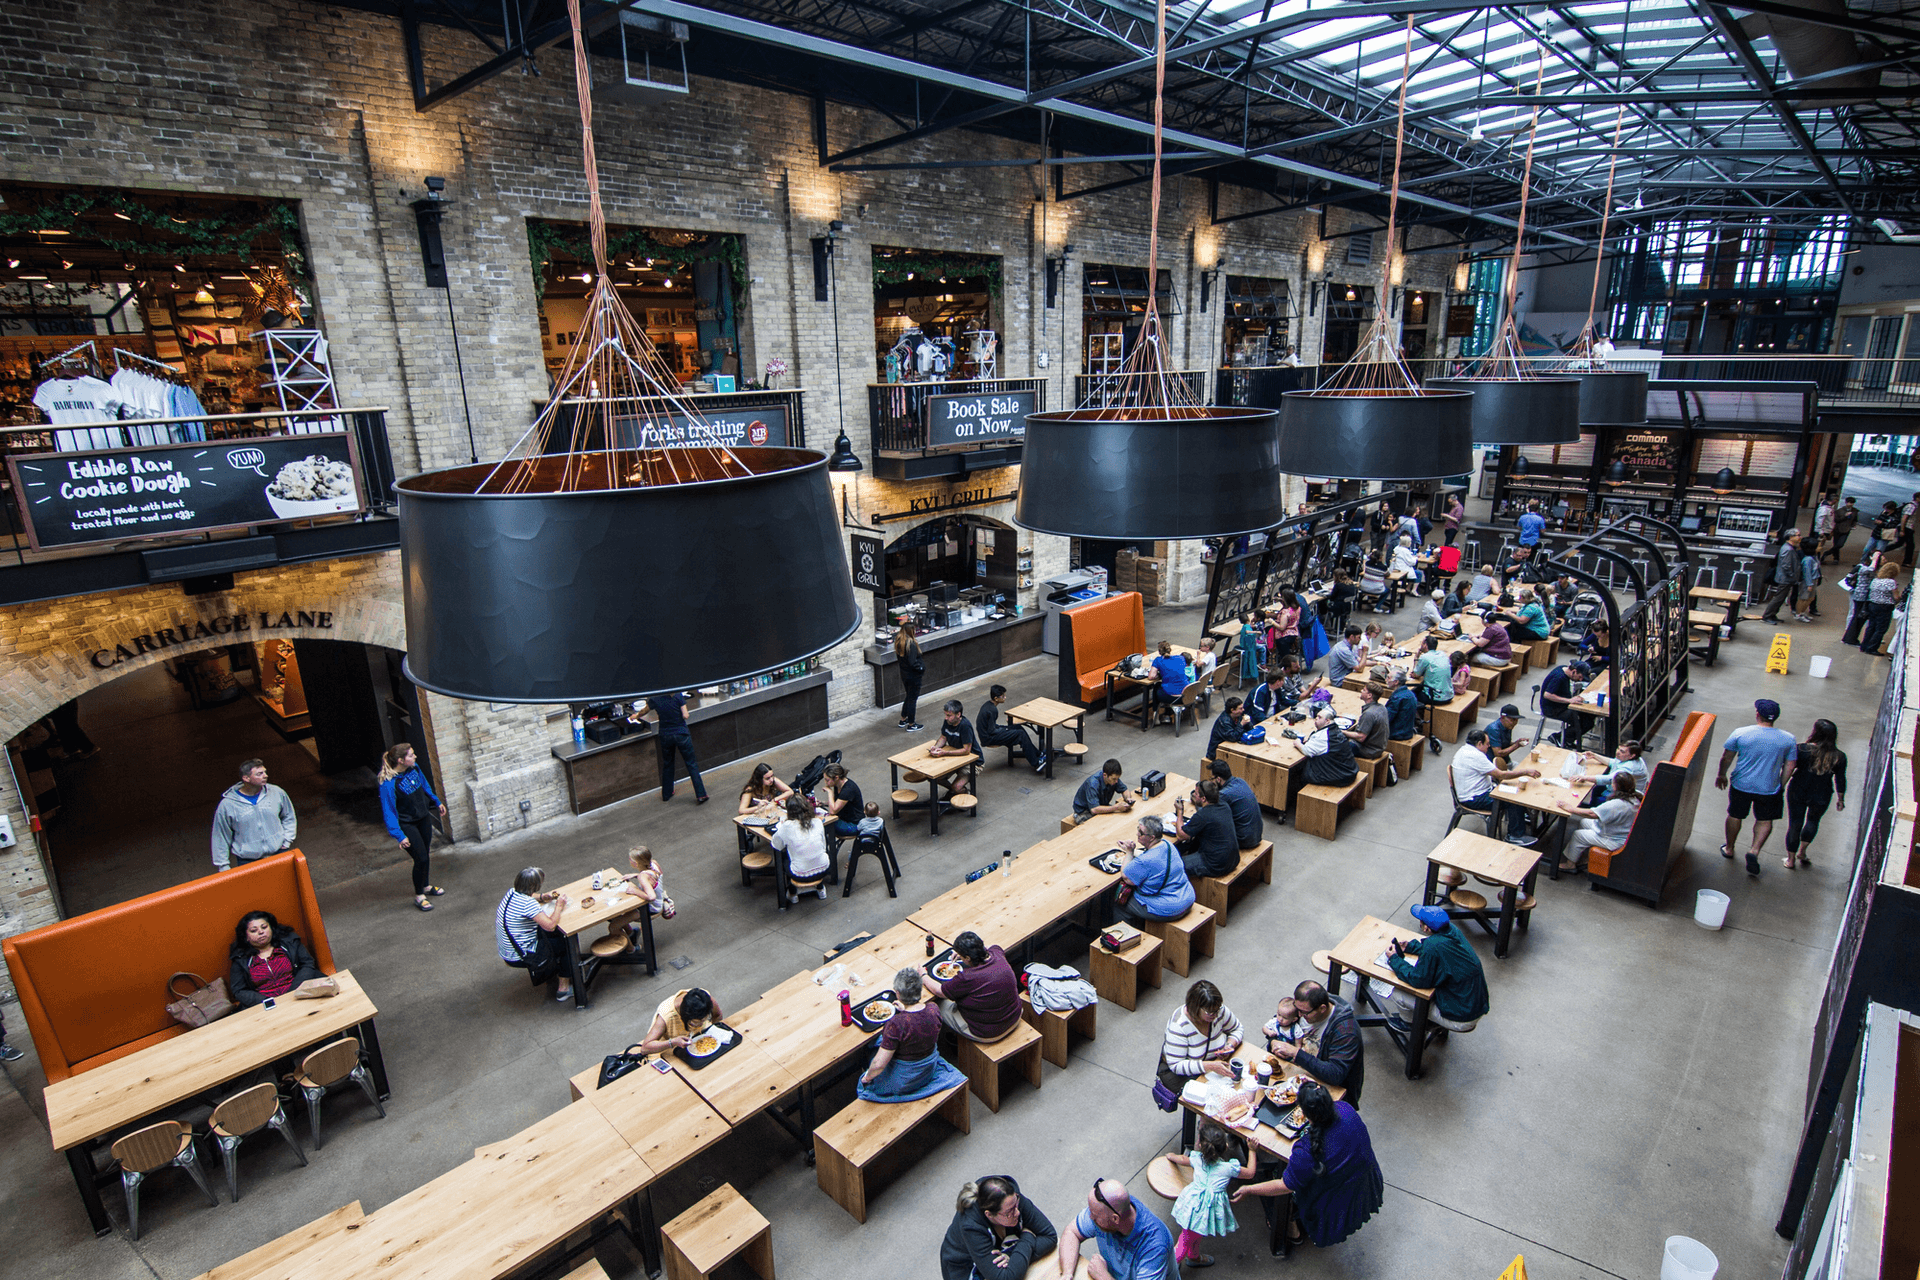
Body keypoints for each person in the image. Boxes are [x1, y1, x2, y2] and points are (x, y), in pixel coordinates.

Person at [1230, 1081, 1383, 1249]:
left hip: (1330, 1195)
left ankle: (1287, 1225)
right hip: (1360, 1180)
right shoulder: (1346, 1109)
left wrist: (1249, 1189)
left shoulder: (1306, 1152)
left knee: (1274, 1173)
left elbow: (1284, 1185)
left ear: (1304, 1114)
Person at [858, 967, 968, 1102]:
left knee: (869, 1053)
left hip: (906, 1079)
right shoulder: (933, 1009)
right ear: (920, 989)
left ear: (897, 994)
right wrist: (905, 1010)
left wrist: (867, 1078)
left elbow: (879, 1064)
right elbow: (917, 1023)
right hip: (928, 1070)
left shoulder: (896, 1024)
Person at [1717, 697, 1798, 877]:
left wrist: (1721, 774)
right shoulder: (1788, 739)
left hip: (1741, 784)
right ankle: (1754, 851)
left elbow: (1727, 757)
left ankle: (1729, 848)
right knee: (1764, 820)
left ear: (1757, 714)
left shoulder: (1741, 733)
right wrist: (1780, 785)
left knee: (1735, 815)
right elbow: (1790, 766)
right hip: (1768, 788)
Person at [1384, 904, 1489, 1030]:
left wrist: (1394, 959)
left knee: (1399, 994)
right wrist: (1410, 947)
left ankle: (1410, 1024)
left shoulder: (1433, 946)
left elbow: (1418, 979)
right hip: (1474, 1005)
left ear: (1427, 928)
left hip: (1461, 1018)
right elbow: (1441, 951)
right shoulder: (1452, 930)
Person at [1166, 1120, 1254, 1268]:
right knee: (1183, 1243)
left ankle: (1194, 1257)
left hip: (1192, 1206)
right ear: (1226, 1147)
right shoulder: (1228, 1168)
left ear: (1200, 1146)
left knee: (1193, 1235)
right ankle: (1167, 1270)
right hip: (1204, 1211)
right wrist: (1252, 1150)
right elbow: (1251, 1173)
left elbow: (1182, 1159)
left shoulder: (1197, 1159)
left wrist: (1171, 1156)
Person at [941, 1176, 1059, 1280]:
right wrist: (1027, 1237)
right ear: (989, 1215)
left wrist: (1011, 1255)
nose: (1017, 1212)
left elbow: (1049, 1236)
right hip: (963, 1267)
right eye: (1009, 1212)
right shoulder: (971, 1227)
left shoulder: (1009, 1197)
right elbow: (1005, 1277)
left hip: (1000, 1246)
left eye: (1017, 1203)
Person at [1060, 1179, 1176, 1280]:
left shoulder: (1155, 1247)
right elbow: (1072, 1232)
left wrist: (1102, 1276)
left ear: (1115, 1219)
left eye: (1095, 1216)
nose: (1090, 1217)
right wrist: (1067, 1274)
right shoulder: (1109, 1207)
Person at [378, 743, 447, 912]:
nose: (415, 757)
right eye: (411, 755)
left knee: (425, 853)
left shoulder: (414, 768)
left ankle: (425, 886)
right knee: (421, 858)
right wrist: (399, 835)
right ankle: (419, 896)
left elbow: (424, 785)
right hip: (407, 824)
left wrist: (436, 801)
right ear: (401, 760)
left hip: (423, 818)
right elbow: (388, 812)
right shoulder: (388, 783)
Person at [1271, 980, 1365, 1104]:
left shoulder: (1346, 1031)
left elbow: (1335, 1074)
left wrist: (1296, 1053)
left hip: (1327, 1091)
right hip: (1296, 1076)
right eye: (1297, 1009)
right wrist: (1274, 1041)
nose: (1299, 1015)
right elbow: (1277, 1025)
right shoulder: (1304, 1007)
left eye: (1304, 1013)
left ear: (1322, 1008)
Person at [924, 930, 1021, 1041]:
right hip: (1014, 1016)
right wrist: (970, 953)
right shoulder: (997, 954)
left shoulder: (967, 977)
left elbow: (939, 991)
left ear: (968, 958)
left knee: (937, 1003)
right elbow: (991, 946)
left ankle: (955, 1040)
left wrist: (923, 976)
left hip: (989, 1032)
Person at [1156, 979, 1244, 1094]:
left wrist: (1229, 1045)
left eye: (1217, 1010)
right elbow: (1176, 1065)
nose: (1216, 1015)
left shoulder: (1218, 1010)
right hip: (1188, 1075)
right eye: (1210, 1013)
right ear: (1195, 1008)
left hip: (1215, 1069)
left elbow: (1237, 1028)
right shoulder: (1179, 1026)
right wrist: (1209, 1066)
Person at [1452, 728, 1539, 844]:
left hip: (1479, 790)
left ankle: (1519, 817)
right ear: (1479, 744)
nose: (1489, 747)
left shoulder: (1464, 750)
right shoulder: (1476, 756)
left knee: (1513, 790)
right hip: (1474, 798)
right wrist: (1526, 772)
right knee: (1513, 798)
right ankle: (1515, 836)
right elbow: (1500, 774)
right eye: (1487, 744)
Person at [497, 867, 572, 1000]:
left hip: (508, 950)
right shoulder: (528, 904)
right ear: (535, 886)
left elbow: (530, 895)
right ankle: (563, 989)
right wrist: (559, 906)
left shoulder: (512, 892)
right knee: (566, 942)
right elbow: (550, 926)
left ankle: (555, 969)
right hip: (522, 955)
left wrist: (543, 897)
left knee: (551, 934)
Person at [211, 758, 297, 872]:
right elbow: (220, 835)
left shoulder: (276, 792)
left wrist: (287, 840)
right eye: (259, 774)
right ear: (246, 778)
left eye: (265, 772)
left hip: (279, 853)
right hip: (248, 861)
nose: (265, 775)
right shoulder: (228, 805)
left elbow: (289, 816)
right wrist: (223, 865)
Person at [1784, 718, 1847, 869]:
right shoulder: (1839, 756)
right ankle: (1802, 852)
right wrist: (1840, 799)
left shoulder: (1802, 749)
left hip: (1798, 790)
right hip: (1822, 794)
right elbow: (1840, 778)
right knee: (1813, 822)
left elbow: (1789, 767)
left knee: (1795, 824)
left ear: (1816, 732)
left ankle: (1790, 860)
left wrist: (1780, 785)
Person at [227, 910, 322, 1007]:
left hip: (300, 993)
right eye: (253, 930)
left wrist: (293, 993)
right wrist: (268, 1001)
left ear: (271, 928)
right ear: (246, 936)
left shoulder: (290, 943)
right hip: (266, 1005)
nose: (261, 932)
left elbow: (307, 964)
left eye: (264, 927)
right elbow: (239, 990)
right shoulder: (240, 959)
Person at [1116, 814, 1195, 925]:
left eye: (1141, 833)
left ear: (1152, 837)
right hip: (1187, 896)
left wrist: (1129, 852)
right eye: (1138, 829)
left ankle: (1122, 937)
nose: (1137, 834)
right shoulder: (1168, 845)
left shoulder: (1145, 860)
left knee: (1120, 904)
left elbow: (1127, 878)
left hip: (1171, 908)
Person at [1558, 772, 1641, 874]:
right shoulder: (1636, 796)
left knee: (1578, 835)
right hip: (1620, 830)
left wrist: (1570, 809)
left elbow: (1591, 813)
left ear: (1616, 786)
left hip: (1613, 839)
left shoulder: (1617, 804)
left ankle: (1570, 865)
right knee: (1584, 822)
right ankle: (1579, 853)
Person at [1283, 705, 1358, 814]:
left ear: (1327, 721)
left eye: (1319, 717)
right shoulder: (1335, 730)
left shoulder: (1323, 736)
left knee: (1297, 769)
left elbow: (1307, 751)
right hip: (1349, 771)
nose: (1316, 719)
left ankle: (1290, 803)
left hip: (1340, 776)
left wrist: (1298, 743)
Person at [645, 690, 709, 804]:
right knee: (691, 764)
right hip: (681, 734)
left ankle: (666, 794)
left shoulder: (655, 698)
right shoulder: (678, 695)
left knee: (668, 764)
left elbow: (644, 710)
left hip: (665, 735)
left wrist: (636, 716)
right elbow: (686, 715)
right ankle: (701, 795)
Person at [1170, 779, 1238, 879]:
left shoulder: (1202, 816)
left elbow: (1181, 835)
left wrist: (1179, 812)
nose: (1194, 795)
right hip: (1233, 859)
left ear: (1203, 799)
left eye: (1196, 794)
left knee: (1173, 866)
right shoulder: (1224, 806)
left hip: (1216, 864)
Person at [771, 795, 831, 900]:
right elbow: (823, 846)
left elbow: (776, 845)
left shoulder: (787, 826)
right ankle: (820, 888)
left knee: (784, 856)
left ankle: (792, 892)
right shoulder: (817, 822)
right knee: (813, 852)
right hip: (824, 868)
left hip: (800, 873)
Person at [640, 987, 726, 1055]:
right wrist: (672, 1042)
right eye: (695, 1023)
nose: (700, 1025)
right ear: (685, 1015)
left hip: (699, 1040)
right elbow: (645, 1048)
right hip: (670, 1049)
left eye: (704, 1020)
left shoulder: (704, 1000)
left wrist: (715, 1034)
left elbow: (717, 1015)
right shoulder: (666, 1014)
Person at [1208, 758, 1264, 848]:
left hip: (1244, 840)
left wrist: (1197, 801)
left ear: (1218, 779)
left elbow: (1208, 811)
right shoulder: (1241, 781)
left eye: (1212, 779)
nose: (1211, 782)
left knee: (1210, 827)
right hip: (1256, 835)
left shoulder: (1224, 794)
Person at [930, 700, 983, 793]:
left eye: (949, 715)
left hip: (973, 762)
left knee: (957, 787)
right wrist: (936, 747)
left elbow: (966, 750)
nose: (946, 718)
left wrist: (945, 753)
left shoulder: (965, 726)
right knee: (935, 777)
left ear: (958, 715)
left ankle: (963, 794)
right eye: (945, 715)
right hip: (956, 758)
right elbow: (943, 737)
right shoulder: (948, 722)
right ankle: (954, 793)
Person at [1540, 658, 1594, 748]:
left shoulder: (1564, 669)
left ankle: (1567, 739)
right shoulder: (1559, 677)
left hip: (1561, 706)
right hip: (1552, 709)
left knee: (1589, 716)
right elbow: (1547, 694)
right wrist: (1569, 700)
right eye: (1580, 676)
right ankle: (1559, 737)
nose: (1580, 680)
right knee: (1585, 722)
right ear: (1574, 671)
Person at [1760, 530, 1805, 623]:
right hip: (1785, 578)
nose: (1800, 537)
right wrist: (1792, 576)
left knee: (1780, 598)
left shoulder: (1790, 548)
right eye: (1798, 535)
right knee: (1778, 598)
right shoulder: (1788, 549)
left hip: (1787, 578)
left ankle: (1772, 615)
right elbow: (1786, 565)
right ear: (1791, 537)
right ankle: (1767, 616)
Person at [1072, 758, 1134, 824]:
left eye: (1117, 779)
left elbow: (1125, 790)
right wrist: (1116, 807)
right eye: (1114, 779)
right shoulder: (1093, 784)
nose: (1116, 781)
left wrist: (1128, 798)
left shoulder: (1113, 779)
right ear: (1105, 775)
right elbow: (1094, 809)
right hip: (1084, 812)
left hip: (1100, 806)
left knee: (1119, 820)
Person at [1860, 561, 1903, 655]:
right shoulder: (1891, 582)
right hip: (1885, 607)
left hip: (1872, 605)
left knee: (1871, 626)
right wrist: (1898, 600)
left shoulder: (1875, 580)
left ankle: (1864, 645)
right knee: (1881, 628)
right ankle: (1872, 648)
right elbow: (1896, 597)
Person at [1346, 682, 1390, 760]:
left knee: (1337, 744)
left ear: (1369, 695)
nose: (1361, 691)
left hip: (1369, 751)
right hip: (1379, 746)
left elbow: (1361, 737)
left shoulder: (1369, 713)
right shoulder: (1381, 708)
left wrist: (1342, 731)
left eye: (1364, 690)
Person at [1149, 639, 1190, 723]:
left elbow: (1151, 676)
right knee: (1170, 686)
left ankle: (1155, 716)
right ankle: (1167, 714)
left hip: (1173, 697)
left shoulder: (1158, 660)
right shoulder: (1181, 658)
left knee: (1157, 687)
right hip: (1187, 694)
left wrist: (1159, 673)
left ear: (1159, 651)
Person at [819, 763, 864, 838]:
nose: (826, 783)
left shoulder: (848, 790)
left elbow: (833, 811)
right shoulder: (838, 785)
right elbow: (837, 803)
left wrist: (830, 792)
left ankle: (829, 848)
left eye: (827, 780)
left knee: (824, 824)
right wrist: (822, 803)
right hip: (843, 818)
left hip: (854, 825)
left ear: (836, 778)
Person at [895, 622, 926, 731]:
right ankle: (912, 724)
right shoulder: (911, 644)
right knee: (912, 699)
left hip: (905, 675)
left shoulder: (899, 643)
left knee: (909, 696)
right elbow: (913, 662)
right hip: (913, 676)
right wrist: (921, 668)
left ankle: (903, 719)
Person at [1842, 559, 1877, 646]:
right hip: (1861, 596)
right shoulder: (1864, 568)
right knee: (1857, 617)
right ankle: (1850, 638)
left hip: (1860, 596)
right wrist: (1875, 558)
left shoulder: (1862, 567)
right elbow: (1871, 569)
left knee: (1857, 617)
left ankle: (1850, 637)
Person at [1206, 697, 1251, 761]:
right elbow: (1233, 737)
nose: (1243, 710)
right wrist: (1241, 724)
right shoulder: (1224, 721)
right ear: (1232, 710)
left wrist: (1248, 723)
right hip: (1216, 753)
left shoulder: (1239, 714)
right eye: (1240, 708)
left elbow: (1250, 730)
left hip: (1229, 748)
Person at [1385, 675, 1420, 745]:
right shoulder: (1410, 693)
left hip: (1396, 733)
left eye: (1388, 677)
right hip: (1408, 730)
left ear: (1396, 682)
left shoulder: (1397, 698)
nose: (1386, 680)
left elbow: (1386, 719)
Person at [1270, 590, 1302, 662]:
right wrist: (1280, 600)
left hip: (1283, 637)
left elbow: (1282, 627)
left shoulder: (1285, 612)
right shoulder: (1297, 608)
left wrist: (1272, 622)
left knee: (1285, 658)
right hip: (1294, 633)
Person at [1798, 536, 1823, 620]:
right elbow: (1807, 573)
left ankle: (1803, 612)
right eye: (1818, 546)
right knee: (1804, 598)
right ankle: (1799, 614)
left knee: (1810, 598)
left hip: (1813, 580)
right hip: (1808, 581)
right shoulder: (1808, 559)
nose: (1820, 548)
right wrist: (1809, 584)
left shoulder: (1814, 557)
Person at [1827, 496, 1859, 563]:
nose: (1851, 504)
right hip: (1838, 529)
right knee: (1836, 544)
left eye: (1852, 503)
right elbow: (1836, 520)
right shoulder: (1839, 511)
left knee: (1840, 544)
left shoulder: (1855, 511)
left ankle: (1828, 553)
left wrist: (1853, 525)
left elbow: (1855, 519)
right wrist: (1845, 516)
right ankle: (1836, 558)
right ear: (1846, 502)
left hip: (1846, 529)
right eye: (1849, 502)